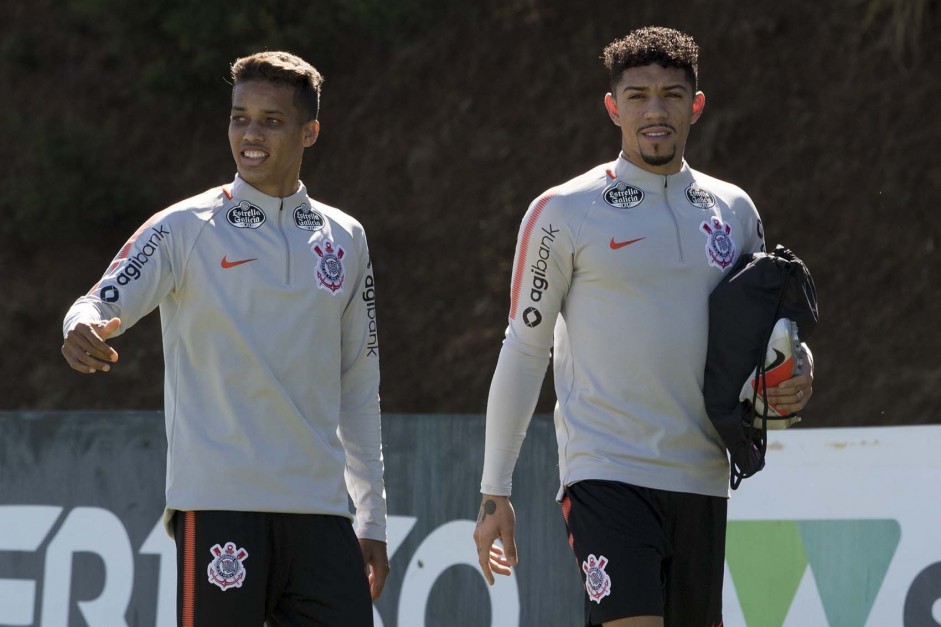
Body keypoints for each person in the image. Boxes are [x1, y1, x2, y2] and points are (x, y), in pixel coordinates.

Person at [473, 26, 814, 627]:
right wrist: (494, 489)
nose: (655, 111)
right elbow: (525, 350)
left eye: (672, 95)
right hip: (607, 471)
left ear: (696, 105)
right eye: (637, 96)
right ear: (612, 107)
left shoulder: (735, 210)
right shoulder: (562, 210)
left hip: (704, 477)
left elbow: (765, 340)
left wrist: (800, 368)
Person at [61, 51, 388, 627]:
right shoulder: (184, 228)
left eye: (271, 120)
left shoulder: (346, 236)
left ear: (310, 131)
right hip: (219, 507)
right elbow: (97, 301)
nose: (250, 134)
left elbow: (358, 385)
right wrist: (79, 325)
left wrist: (371, 519)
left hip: (319, 513)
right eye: (240, 117)